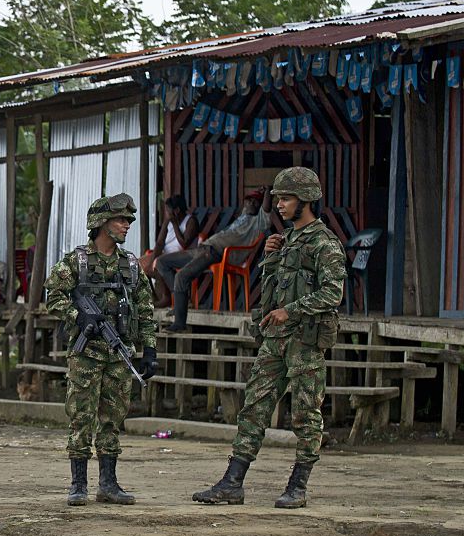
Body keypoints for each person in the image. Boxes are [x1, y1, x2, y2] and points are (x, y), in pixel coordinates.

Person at [191, 167, 346, 509]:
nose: (279, 204)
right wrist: (271, 257)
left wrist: (290, 311)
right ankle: (232, 482)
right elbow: (274, 288)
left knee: (306, 414)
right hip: (276, 340)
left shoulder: (324, 243)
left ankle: (298, 485)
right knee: (254, 407)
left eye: (286, 198)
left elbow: (332, 293)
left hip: (305, 341)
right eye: (277, 198)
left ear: (305, 200)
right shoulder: (287, 240)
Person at [44, 193, 158, 506]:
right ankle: (78, 484)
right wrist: (78, 316)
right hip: (86, 354)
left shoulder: (131, 265)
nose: (126, 225)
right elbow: (53, 296)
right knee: (81, 417)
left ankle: (108, 484)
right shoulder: (77, 261)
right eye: (120, 220)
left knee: (113, 419)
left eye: (128, 220)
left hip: (119, 354)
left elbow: (146, 310)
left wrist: (150, 349)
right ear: (101, 224)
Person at [158, 186, 273, 331]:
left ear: (259, 205)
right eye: (248, 201)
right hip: (203, 249)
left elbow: (267, 208)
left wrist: (268, 191)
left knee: (181, 276)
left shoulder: (258, 222)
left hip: (215, 253)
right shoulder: (245, 215)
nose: (249, 203)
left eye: (254, 202)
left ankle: (180, 324)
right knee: (162, 261)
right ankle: (180, 300)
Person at [143, 195, 197, 308]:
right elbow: (160, 243)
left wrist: (175, 224)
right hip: (165, 254)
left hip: (183, 255)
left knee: (158, 263)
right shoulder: (168, 220)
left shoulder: (191, 221)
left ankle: (175, 298)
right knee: (138, 266)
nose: (166, 213)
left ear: (177, 210)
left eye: (168, 210)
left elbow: (184, 244)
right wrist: (151, 260)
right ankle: (158, 298)